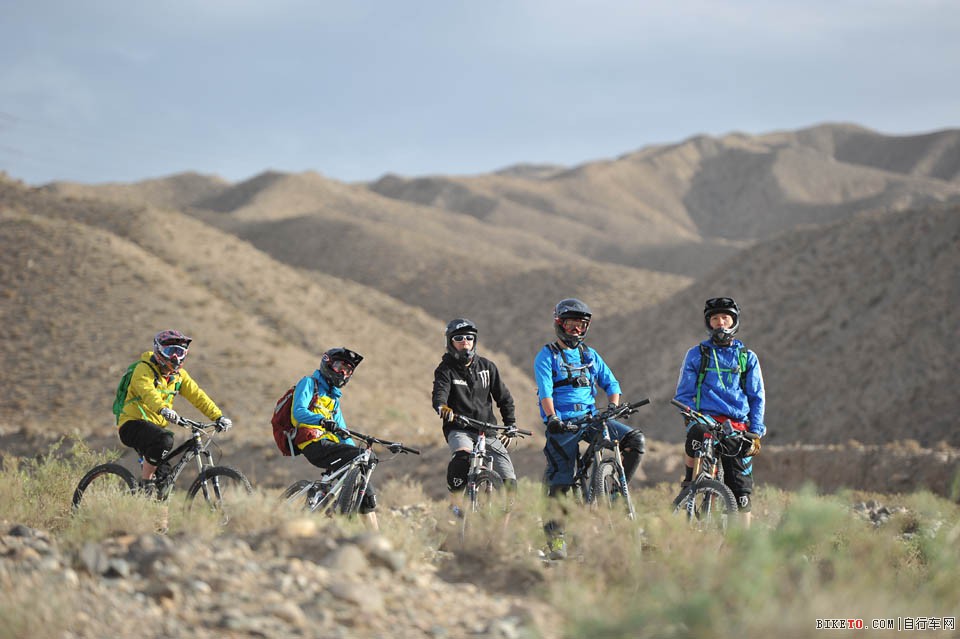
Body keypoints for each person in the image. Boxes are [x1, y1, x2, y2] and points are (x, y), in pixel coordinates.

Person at [533, 299, 645, 558]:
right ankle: (556, 539)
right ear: (560, 324)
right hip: (563, 422)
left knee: (635, 441)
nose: (575, 330)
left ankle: (615, 495)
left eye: (580, 326)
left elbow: (611, 383)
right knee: (562, 477)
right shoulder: (547, 355)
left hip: (592, 418)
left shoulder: (589, 355)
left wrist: (613, 406)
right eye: (571, 325)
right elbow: (545, 391)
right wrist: (552, 417)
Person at [674, 297, 766, 527]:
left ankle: (740, 547)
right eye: (715, 318)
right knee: (694, 438)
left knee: (741, 492)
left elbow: (757, 396)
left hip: (738, 426)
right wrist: (691, 420)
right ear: (709, 323)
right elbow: (684, 393)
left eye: (725, 317)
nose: (721, 322)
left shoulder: (747, 356)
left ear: (734, 321)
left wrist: (754, 431)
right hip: (706, 420)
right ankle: (690, 483)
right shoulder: (697, 354)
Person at [117, 329, 233, 489]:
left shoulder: (179, 376)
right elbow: (147, 392)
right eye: (171, 351)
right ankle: (146, 483)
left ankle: (158, 510)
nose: (175, 357)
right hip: (132, 424)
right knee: (165, 439)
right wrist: (163, 409)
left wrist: (218, 417)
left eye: (180, 352)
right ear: (158, 351)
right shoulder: (144, 369)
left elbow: (197, 396)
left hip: (155, 430)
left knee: (165, 483)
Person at [432, 318, 518, 519]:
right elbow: (440, 393)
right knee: (462, 457)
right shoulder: (446, 369)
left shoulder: (487, 366)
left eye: (469, 338)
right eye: (459, 338)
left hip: (487, 431)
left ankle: (500, 535)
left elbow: (504, 398)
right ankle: (455, 504)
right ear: (450, 342)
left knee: (510, 482)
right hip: (459, 428)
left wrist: (510, 424)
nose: (465, 342)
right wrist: (442, 407)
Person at [289, 347, 379, 530]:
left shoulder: (334, 400)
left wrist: (362, 453)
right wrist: (321, 420)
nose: (343, 372)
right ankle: (342, 513)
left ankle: (376, 536)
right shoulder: (308, 383)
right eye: (339, 366)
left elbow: (343, 434)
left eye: (348, 370)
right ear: (327, 362)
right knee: (360, 460)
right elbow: (298, 412)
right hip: (312, 442)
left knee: (365, 474)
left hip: (328, 445)